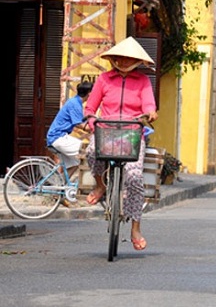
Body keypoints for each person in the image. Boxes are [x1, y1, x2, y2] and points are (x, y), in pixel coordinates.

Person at [84, 36, 158, 251]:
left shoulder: (143, 81)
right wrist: (91, 120)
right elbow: (90, 108)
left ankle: (135, 227)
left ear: (136, 61)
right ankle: (100, 184)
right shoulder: (104, 79)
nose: (124, 62)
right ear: (114, 59)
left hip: (132, 135)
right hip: (105, 132)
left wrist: (151, 113)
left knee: (134, 177)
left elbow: (149, 105)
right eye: (120, 58)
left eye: (129, 58)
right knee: (90, 151)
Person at [46, 82, 94, 178]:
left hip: (59, 137)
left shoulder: (75, 102)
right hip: (58, 137)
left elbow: (81, 120)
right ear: (89, 93)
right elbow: (78, 124)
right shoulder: (75, 103)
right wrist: (91, 129)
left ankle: (60, 185)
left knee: (75, 162)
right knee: (86, 152)